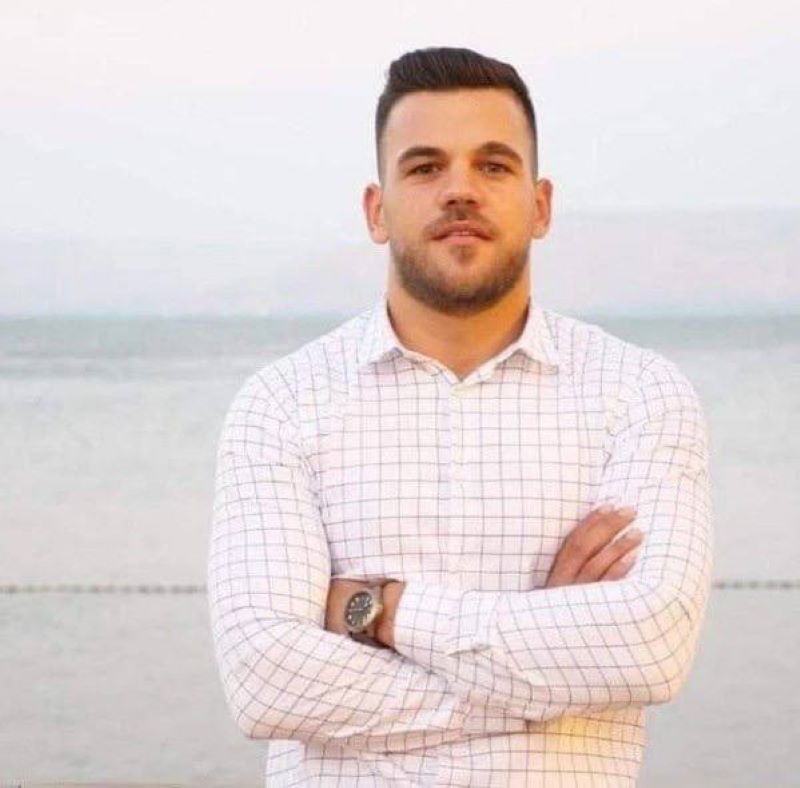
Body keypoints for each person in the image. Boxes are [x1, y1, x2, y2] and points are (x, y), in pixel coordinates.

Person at [208, 46, 713, 786]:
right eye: (424, 168)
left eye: (493, 165)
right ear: (376, 211)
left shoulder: (638, 395)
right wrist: (544, 673)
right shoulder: (282, 403)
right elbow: (264, 680)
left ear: (540, 206)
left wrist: (383, 612)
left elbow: (649, 646)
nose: (460, 191)